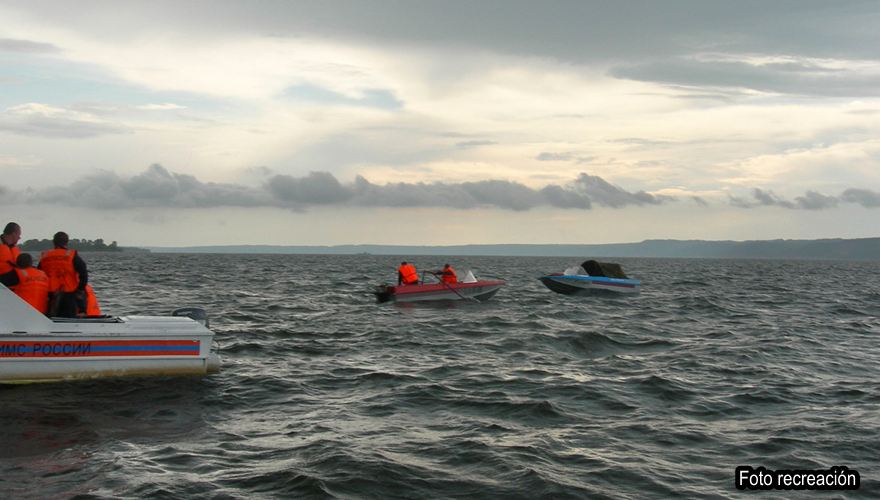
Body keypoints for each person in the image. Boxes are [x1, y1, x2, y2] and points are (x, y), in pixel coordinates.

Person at [38, 231, 88, 318]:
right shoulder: (71, 255)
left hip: (50, 296)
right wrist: (80, 289)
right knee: (68, 323)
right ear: (66, 243)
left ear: (54, 242)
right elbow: (83, 272)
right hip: (68, 295)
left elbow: (38, 274)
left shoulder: (45, 256)